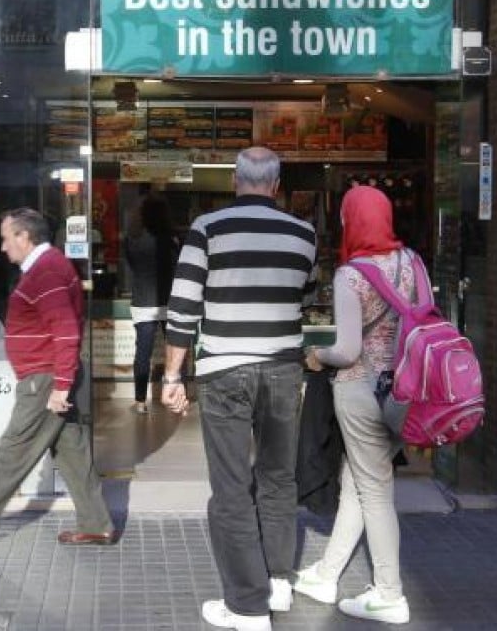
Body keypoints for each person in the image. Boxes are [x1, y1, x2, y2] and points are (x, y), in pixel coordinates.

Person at [160, 146, 318, 631]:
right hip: (284, 369)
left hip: (225, 371)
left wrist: (171, 376)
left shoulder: (206, 229)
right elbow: (306, 300)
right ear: (276, 183)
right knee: (278, 478)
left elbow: (183, 307)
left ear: (236, 180)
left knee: (231, 488)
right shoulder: (304, 233)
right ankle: (278, 583)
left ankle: (248, 607)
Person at [0, 207, 114, 547]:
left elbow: (65, 330)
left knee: (13, 449)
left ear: (23, 237)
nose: (2, 248)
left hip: (44, 378)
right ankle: (96, 524)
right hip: (49, 375)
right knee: (71, 451)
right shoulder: (50, 266)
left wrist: (59, 386)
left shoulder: (45, 272)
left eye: (5, 238)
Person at [303, 185, 414, 625]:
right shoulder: (414, 264)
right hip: (404, 391)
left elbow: (346, 350)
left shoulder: (351, 275)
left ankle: (390, 592)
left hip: (361, 391)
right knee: (360, 482)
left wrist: (317, 355)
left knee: (376, 494)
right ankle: (327, 574)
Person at [123, 192, 179, 413]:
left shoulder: (132, 240)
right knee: (173, 350)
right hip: (168, 301)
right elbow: (177, 269)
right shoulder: (171, 240)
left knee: (142, 354)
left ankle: (140, 402)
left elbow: (132, 266)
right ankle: (174, 396)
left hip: (142, 302)